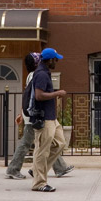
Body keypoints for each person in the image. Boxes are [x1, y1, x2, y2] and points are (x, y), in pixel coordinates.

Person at [5, 52, 74, 180]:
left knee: (50, 142)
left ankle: (59, 167)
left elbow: (28, 96)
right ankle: (13, 169)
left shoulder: (33, 75)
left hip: (34, 115)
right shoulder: (36, 75)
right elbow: (33, 96)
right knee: (31, 143)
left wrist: (21, 112)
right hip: (35, 116)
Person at [30, 47, 68, 192]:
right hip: (43, 118)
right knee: (42, 150)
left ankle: (36, 169)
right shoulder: (41, 75)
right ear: (49, 60)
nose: (57, 61)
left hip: (51, 117)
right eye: (55, 59)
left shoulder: (45, 73)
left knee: (60, 143)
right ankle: (39, 183)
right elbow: (39, 95)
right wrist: (57, 93)